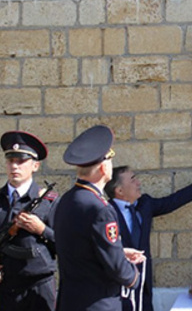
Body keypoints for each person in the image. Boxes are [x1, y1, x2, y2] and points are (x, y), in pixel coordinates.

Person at [104, 163, 192, 311]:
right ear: (119, 190)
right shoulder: (105, 212)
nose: (138, 183)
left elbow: (173, 201)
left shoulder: (145, 204)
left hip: (144, 282)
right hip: (117, 287)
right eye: (132, 180)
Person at [52, 125, 145, 311]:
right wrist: (134, 278)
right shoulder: (100, 209)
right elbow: (116, 266)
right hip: (98, 303)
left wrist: (119, 250)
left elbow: (81, 248)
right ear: (103, 167)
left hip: (70, 301)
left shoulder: (66, 200)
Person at [0, 131, 59, 310]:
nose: (14, 166)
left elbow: (64, 245)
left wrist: (41, 229)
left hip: (37, 287)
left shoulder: (50, 201)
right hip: (2, 288)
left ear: (35, 166)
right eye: (11, 161)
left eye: (21, 161)